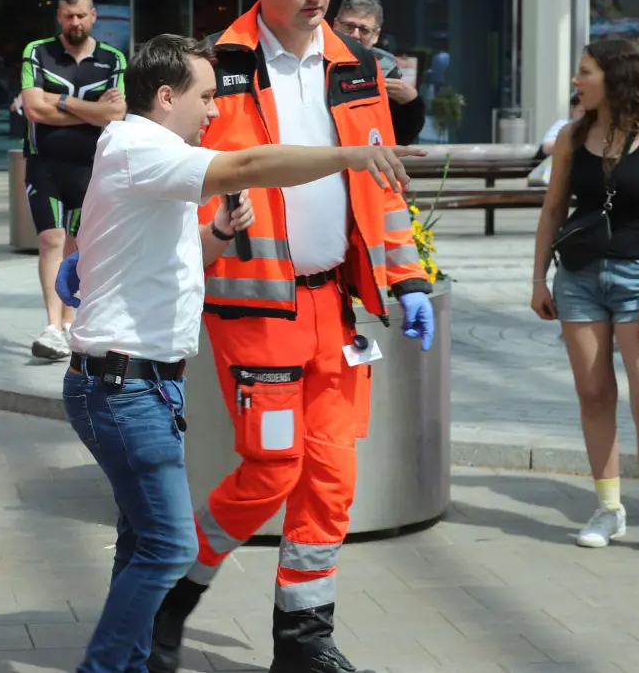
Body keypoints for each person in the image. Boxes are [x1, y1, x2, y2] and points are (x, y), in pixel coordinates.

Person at [55, 34, 423, 673]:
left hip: (150, 382)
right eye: (203, 98)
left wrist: (221, 232)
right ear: (167, 97)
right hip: (125, 384)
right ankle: (109, 666)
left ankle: (168, 654)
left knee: (144, 540)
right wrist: (350, 158)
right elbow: (249, 166)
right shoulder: (144, 147)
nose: (213, 111)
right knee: (170, 546)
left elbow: (183, 260)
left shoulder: (151, 155)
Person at [148, 0, 435, 673]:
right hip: (252, 299)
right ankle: (172, 589)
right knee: (272, 468)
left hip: (332, 307)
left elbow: (381, 188)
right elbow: (175, 166)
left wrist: (407, 280)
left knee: (332, 475)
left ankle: (304, 640)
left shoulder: (356, 66)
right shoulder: (219, 63)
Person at [529, 39, 639, 562]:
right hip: (578, 278)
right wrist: (538, 279)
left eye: (584, 72)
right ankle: (608, 508)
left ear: (615, 76)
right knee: (594, 393)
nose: (576, 81)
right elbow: (553, 209)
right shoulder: (573, 137)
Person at [20, 0, 129, 360]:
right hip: (43, 162)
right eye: (68, 16)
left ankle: (70, 324)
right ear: (59, 18)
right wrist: (89, 109)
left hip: (93, 167)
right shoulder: (37, 52)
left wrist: (61, 100)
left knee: (78, 245)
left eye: (81, 15)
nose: (75, 22)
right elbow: (33, 108)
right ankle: (52, 326)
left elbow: (115, 113)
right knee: (51, 239)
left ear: (93, 16)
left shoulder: (112, 59)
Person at [333, 0, 425, 146]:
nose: (355, 35)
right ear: (335, 26)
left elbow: (400, 137)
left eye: (364, 30)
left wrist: (412, 104)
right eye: (349, 26)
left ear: (375, 35)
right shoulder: (313, 61)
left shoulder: (386, 68)